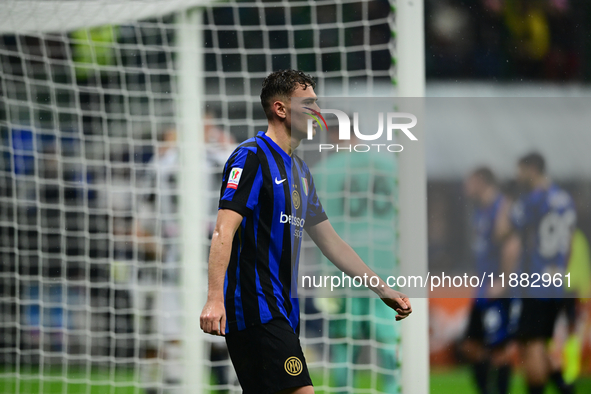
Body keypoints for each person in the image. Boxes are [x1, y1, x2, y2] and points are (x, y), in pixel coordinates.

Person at [199, 69, 412, 394]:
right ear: (281, 109)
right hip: (256, 307)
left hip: (283, 307)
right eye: (309, 103)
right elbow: (222, 230)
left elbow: (331, 243)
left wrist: (383, 289)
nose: (318, 112)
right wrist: (214, 298)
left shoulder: (300, 171)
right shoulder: (251, 157)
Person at [312, 121, 401, 393]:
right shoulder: (391, 167)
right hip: (387, 263)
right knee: (389, 346)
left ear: (333, 135)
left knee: (344, 347)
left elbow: (321, 229)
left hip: (344, 268)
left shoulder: (323, 172)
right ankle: (394, 389)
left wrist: (324, 274)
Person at [498, 152, 576, 394]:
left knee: (530, 347)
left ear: (532, 169)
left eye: (520, 170)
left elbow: (502, 231)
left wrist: (508, 198)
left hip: (534, 285)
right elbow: (570, 244)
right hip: (555, 282)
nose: (517, 176)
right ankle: (565, 389)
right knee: (540, 345)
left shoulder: (533, 201)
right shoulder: (564, 199)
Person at [462, 167, 519, 394]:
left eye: (470, 182)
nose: (466, 187)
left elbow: (511, 245)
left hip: (498, 291)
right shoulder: (480, 210)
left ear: (481, 181)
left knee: (499, 350)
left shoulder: (501, 207)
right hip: (482, 290)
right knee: (470, 345)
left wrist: (503, 281)